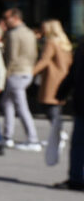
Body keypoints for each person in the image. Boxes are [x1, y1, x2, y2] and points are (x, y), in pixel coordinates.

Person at [1, 7, 41, 151]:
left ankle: (32, 139)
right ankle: (8, 136)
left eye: (6, 18)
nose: (5, 21)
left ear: (15, 18)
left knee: (20, 107)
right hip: (26, 71)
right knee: (8, 103)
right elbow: (34, 54)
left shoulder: (14, 34)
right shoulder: (29, 32)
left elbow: (11, 57)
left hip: (16, 73)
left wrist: (5, 75)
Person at [33, 19, 73, 143]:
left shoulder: (51, 42)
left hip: (52, 78)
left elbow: (44, 60)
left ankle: (58, 134)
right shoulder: (64, 42)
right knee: (55, 107)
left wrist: (31, 72)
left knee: (49, 106)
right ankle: (58, 133)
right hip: (62, 77)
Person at [54, 37, 83, 191]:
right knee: (78, 144)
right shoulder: (82, 46)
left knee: (78, 144)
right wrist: (62, 91)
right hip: (81, 104)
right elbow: (74, 72)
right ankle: (76, 179)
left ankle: (77, 178)